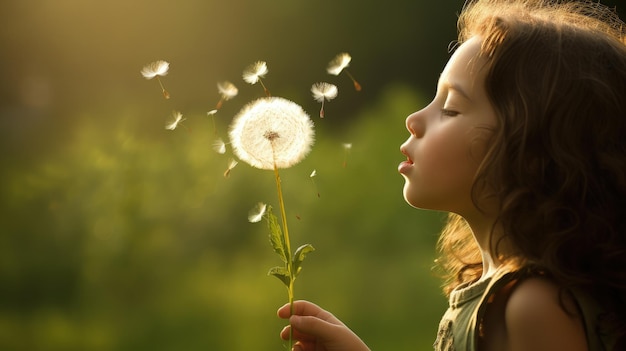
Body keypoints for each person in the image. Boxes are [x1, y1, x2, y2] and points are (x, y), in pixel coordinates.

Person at [277, 0, 626, 350]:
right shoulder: (502, 293)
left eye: (450, 108)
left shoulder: (533, 306)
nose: (413, 120)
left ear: (534, 151)